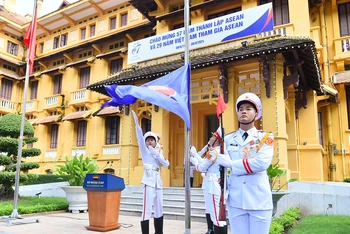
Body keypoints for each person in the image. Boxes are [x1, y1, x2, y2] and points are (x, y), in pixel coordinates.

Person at [222, 92, 274, 234]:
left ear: (256, 113)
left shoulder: (265, 137)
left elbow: (262, 163)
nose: (243, 111)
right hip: (236, 200)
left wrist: (231, 164)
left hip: (259, 200)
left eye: (248, 108)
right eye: (241, 109)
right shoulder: (227, 139)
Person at [132, 110, 170, 234]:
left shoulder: (158, 152)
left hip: (157, 183)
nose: (149, 141)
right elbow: (139, 138)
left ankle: (159, 232)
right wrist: (137, 125)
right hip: (148, 182)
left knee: (159, 209)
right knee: (147, 209)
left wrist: (157, 154)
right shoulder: (144, 151)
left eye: (152, 140)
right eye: (147, 140)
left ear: (156, 142)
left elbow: (166, 163)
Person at [189, 127, 229, 234]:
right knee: (212, 212)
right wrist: (195, 156)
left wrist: (194, 158)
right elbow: (205, 163)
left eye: (213, 136)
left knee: (217, 217)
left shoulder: (214, 152)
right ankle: (210, 230)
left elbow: (202, 167)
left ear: (217, 139)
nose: (210, 138)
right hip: (211, 182)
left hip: (212, 185)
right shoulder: (216, 152)